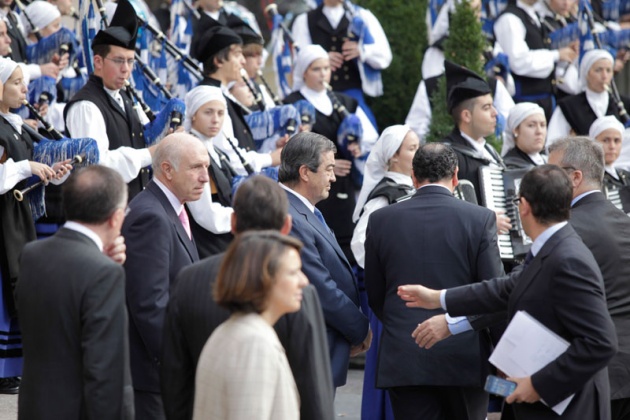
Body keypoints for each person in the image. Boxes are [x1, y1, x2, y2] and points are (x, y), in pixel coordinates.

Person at [399, 164, 618, 419]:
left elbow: (601, 342)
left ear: (523, 206)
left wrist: (539, 384)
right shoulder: (551, 246)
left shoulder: (568, 259)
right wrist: (438, 298)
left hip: (566, 406)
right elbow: (506, 288)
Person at [162, 175, 334, 420]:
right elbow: (313, 388)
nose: (301, 279)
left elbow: (175, 378)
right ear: (286, 226)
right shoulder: (296, 291)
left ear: (233, 222)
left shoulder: (188, 280)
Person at [363, 143, 504, 420]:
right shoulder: (479, 219)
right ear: (455, 176)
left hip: (407, 354)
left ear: (414, 177)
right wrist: (501, 354)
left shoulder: (381, 220)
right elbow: (493, 294)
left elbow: (376, 294)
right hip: (464, 357)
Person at [16, 165, 133, 419]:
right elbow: (104, 372)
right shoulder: (104, 274)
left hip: (34, 408)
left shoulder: (32, 254)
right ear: (115, 217)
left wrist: (99, 260)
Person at [123, 133, 208, 419]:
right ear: (167, 170)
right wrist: (178, 366)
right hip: (154, 377)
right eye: (196, 167)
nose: (205, 177)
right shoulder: (151, 216)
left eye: (206, 167)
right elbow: (150, 305)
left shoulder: (170, 209)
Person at [0, 56, 71, 394]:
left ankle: (12, 366)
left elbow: (30, 172)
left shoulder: (16, 124)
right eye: (16, 82)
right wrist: (25, 165)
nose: (24, 88)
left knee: (17, 286)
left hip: (17, 217)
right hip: (3, 222)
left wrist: (51, 172)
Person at [279, 131, 370, 389]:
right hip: (310, 348)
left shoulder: (305, 211)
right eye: (329, 169)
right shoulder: (292, 218)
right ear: (305, 172)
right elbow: (320, 288)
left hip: (323, 344)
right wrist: (360, 328)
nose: (333, 177)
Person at [547, 137, 630, 420]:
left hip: (593, 377)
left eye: (551, 173)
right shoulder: (625, 223)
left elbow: (526, 290)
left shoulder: (565, 229)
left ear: (575, 178)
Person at [192, 231, 306, 420]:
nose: (304, 281)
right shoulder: (254, 344)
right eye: (293, 272)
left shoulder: (235, 331)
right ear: (263, 279)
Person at [284, 45, 378, 264]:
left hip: (342, 184)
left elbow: (370, 137)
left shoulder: (344, 102)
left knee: (345, 241)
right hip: (309, 183)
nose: (323, 74)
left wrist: (357, 148)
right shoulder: (292, 103)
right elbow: (291, 148)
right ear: (304, 72)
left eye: (326, 68)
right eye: (316, 69)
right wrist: (328, 163)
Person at [65, 0, 154, 199]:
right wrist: (151, 153)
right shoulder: (86, 106)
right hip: (105, 211)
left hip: (136, 207)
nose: (126, 69)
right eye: (119, 60)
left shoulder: (125, 97)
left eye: (130, 61)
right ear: (98, 61)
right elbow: (98, 166)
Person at [190, 17, 282, 172]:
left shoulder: (222, 94)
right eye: (238, 54)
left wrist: (273, 147)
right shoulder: (210, 97)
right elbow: (231, 160)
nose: (243, 61)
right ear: (219, 61)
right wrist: (271, 158)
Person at [291, 0, 392, 127]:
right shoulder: (305, 20)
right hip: (316, 95)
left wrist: (362, 50)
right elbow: (299, 60)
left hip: (352, 93)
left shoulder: (361, 16)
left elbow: (385, 56)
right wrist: (320, 57)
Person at [440, 60, 511, 232]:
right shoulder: (448, 157)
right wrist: (486, 219)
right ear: (466, 115)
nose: (495, 113)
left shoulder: (491, 152)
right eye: (487, 108)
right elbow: (445, 211)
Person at [493, 0, 578, 119]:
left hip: (545, 100)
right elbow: (518, 61)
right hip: (525, 102)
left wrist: (565, 53)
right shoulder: (510, 18)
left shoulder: (534, 15)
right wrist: (556, 55)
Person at [184, 85, 235, 257]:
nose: (215, 119)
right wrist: (246, 216)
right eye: (208, 112)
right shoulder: (190, 150)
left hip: (226, 240)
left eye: (221, 113)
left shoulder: (216, 151)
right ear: (193, 115)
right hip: (208, 246)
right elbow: (205, 215)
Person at [548, 49, 630, 143]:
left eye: (608, 70)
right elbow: (553, 142)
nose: (604, 76)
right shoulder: (569, 106)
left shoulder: (623, 103)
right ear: (586, 73)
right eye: (598, 70)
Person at [588, 116, 630, 213]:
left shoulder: (625, 175)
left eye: (616, 141)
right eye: (606, 140)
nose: (612, 146)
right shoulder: (588, 177)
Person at [502, 102, 547, 169]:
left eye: (542, 125)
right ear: (516, 130)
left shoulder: (548, 160)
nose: (539, 131)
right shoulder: (511, 167)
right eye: (531, 125)